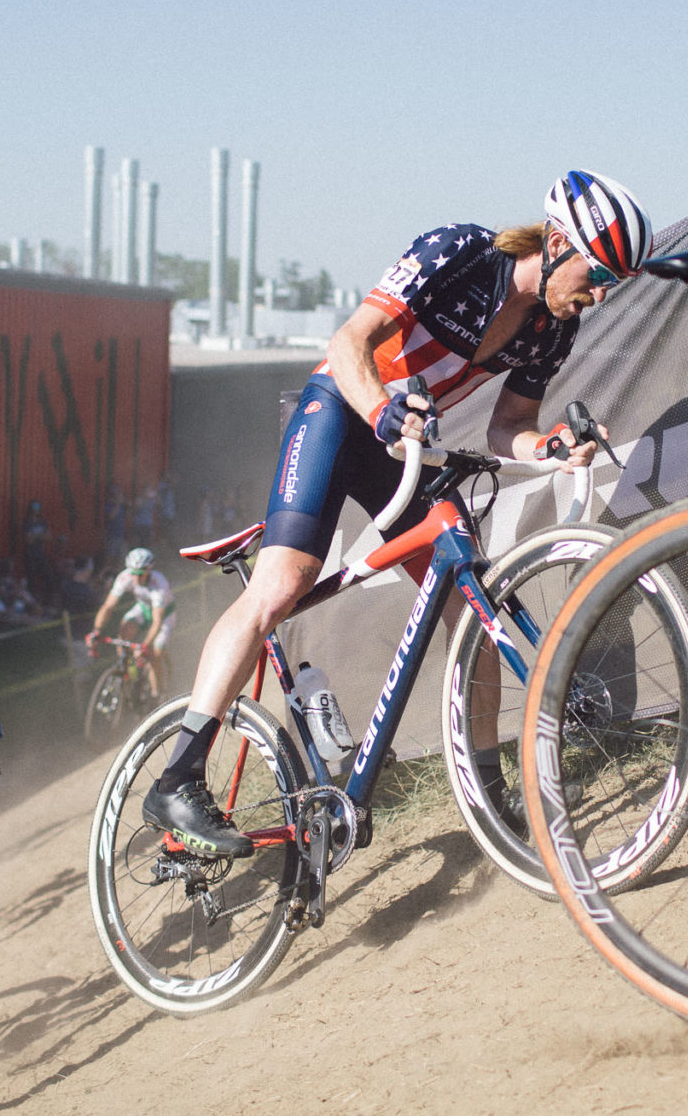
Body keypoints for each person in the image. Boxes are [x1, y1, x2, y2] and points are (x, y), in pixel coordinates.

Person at [142, 171, 651, 857]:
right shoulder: (462, 253)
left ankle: (492, 793)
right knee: (282, 586)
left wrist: (549, 446)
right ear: (558, 243)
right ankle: (177, 778)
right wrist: (380, 408)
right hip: (342, 411)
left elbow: (510, 426)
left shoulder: (550, 329)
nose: (602, 292)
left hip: (402, 441)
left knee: (472, 609)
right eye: (599, 273)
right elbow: (351, 339)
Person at [88, 548, 174, 697]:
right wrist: (96, 631)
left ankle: (157, 695)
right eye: (132, 572)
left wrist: (145, 645)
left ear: (148, 571)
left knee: (156, 652)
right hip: (142, 608)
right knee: (123, 636)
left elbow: (157, 621)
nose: (135, 578)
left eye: (139, 574)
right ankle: (130, 675)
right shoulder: (125, 577)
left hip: (164, 614)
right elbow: (108, 606)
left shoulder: (158, 584)